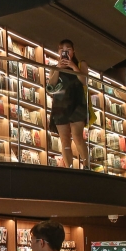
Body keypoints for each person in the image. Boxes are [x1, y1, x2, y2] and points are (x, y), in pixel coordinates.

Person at [46, 39, 89, 168]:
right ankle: (69, 168)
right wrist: (58, 68)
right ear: (58, 52)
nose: (65, 52)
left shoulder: (81, 64)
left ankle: (86, 165)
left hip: (77, 103)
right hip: (60, 104)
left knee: (77, 136)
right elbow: (51, 86)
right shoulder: (54, 67)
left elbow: (85, 81)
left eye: (68, 49)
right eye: (62, 50)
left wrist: (73, 66)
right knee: (64, 139)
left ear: (73, 51)